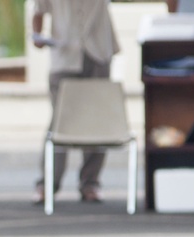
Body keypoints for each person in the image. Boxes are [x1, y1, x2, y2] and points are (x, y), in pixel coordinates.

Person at [31, 0, 119, 205]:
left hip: (98, 51)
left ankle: (90, 182)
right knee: (60, 120)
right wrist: (37, 36)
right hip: (65, 53)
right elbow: (38, 10)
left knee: (97, 120)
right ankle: (47, 183)